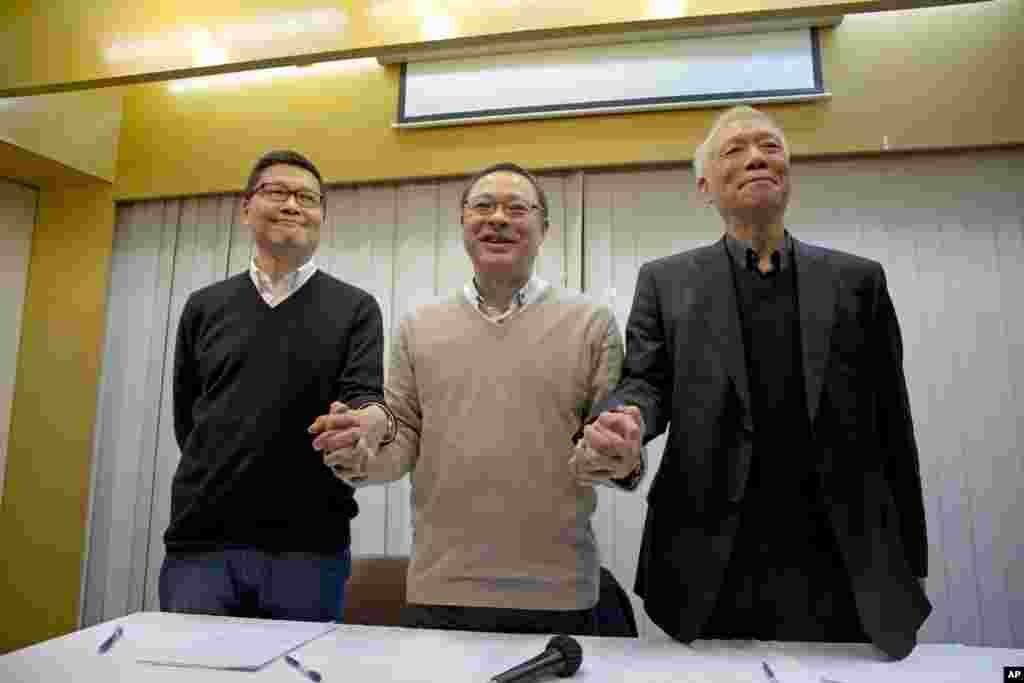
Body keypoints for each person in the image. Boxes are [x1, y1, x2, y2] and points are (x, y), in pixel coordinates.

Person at [584, 106, 931, 659]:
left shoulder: (858, 281)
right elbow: (646, 382)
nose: (756, 158)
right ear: (704, 185)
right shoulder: (665, 282)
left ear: (789, 172)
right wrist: (630, 418)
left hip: (844, 557)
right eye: (734, 149)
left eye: (770, 146)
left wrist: (910, 557)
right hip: (708, 559)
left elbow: (894, 422)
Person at [309, 163, 641, 635]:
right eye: (483, 207)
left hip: (559, 591)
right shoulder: (418, 327)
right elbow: (403, 442)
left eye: (516, 208)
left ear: (544, 228)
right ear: (463, 224)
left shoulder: (591, 323)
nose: (498, 218)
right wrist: (357, 457)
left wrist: (620, 459)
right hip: (440, 589)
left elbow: (610, 443)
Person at [162, 150, 386, 622]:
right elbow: (191, 422)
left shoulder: (356, 309)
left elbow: (366, 399)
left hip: (309, 549)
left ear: (321, 216)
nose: (292, 204)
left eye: (307, 197)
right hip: (201, 545)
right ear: (245, 208)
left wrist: (362, 425)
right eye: (276, 192)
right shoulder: (204, 307)